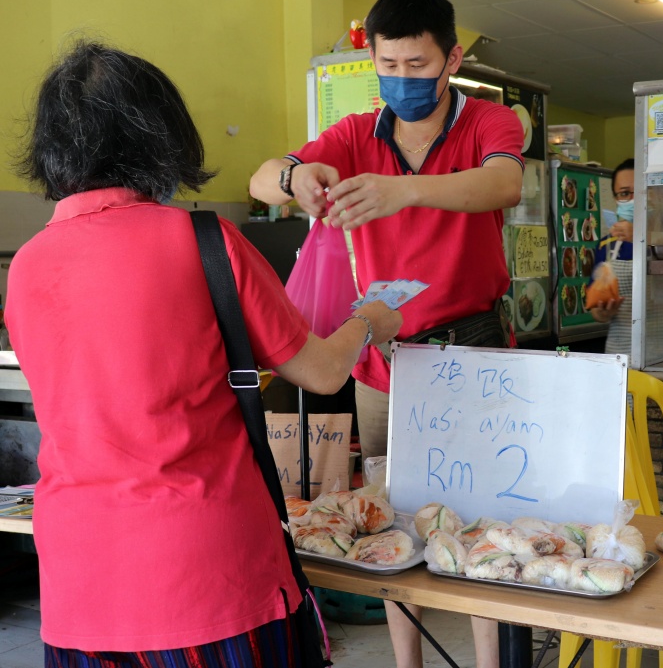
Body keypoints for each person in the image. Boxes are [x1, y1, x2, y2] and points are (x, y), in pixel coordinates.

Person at [5, 41, 402, 667]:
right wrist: (369, 321)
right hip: (206, 574)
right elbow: (323, 372)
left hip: (79, 582)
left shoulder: (25, 265)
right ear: (159, 135)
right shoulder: (204, 240)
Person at [249, 0, 523, 668]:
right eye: (388, 66)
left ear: (452, 58)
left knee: (482, 524)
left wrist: (402, 189)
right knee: (393, 522)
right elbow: (262, 176)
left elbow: (503, 184)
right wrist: (298, 179)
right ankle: (410, 662)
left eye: (418, 66)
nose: (402, 81)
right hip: (385, 363)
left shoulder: (491, 122)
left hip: (475, 351)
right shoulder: (352, 134)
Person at [587, 159, 635, 355]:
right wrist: (603, 312)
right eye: (624, 193)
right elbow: (595, 309)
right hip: (621, 357)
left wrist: (643, 238)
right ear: (616, 199)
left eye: (639, 191)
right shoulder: (607, 245)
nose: (632, 199)